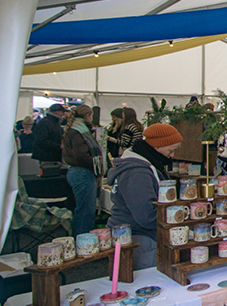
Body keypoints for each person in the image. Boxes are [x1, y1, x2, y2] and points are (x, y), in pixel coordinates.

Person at [107, 124, 183, 270]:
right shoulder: (137, 173)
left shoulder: (149, 164)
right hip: (137, 238)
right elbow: (146, 216)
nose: (172, 155)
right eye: (171, 150)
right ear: (157, 146)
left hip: (142, 234)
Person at [62, 105, 103, 236]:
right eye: (91, 116)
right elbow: (81, 156)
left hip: (79, 172)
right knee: (85, 211)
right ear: (87, 116)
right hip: (83, 172)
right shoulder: (78, 131)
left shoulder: (75, 130)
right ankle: (83, 241)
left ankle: (80, 239)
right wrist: (96, 165)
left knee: (83, 209)